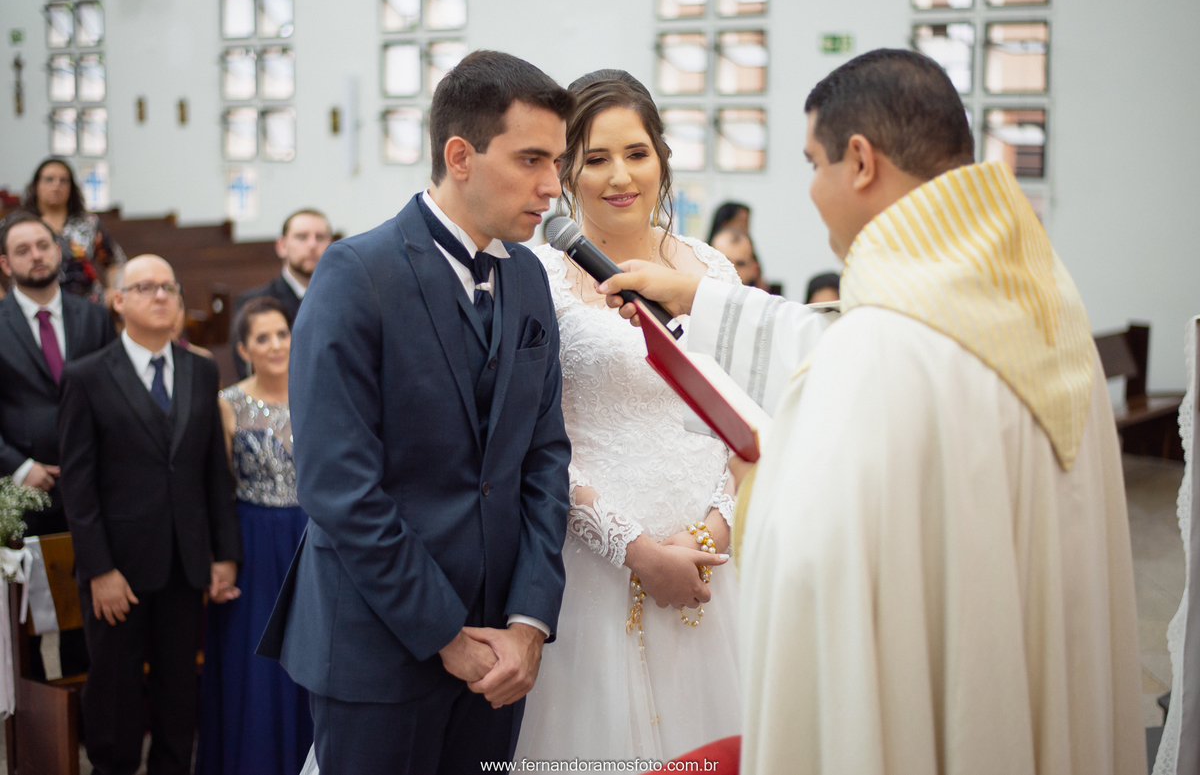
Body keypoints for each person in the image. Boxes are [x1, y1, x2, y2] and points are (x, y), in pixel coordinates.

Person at [599, 48, 1144, 774]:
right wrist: (701, 298)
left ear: (859, 161)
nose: (812, 190)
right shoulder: (1023, 287)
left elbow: (813, 556)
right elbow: (839, 335)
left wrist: (751, 491)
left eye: (812, 163)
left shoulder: (888, 346)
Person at [257, 50, 574, 775]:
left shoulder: (527, 276)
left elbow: (544, 456)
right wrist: (445, 636)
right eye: (531, 159)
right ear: (460, 156)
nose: (552, 186)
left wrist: (528, 621)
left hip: (500, 654)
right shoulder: (356, 274)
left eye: (556, 162)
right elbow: (338, 487)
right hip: (378, 649)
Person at [516, 70, 738, 763]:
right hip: (593, 566)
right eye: (597, 158)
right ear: (566, 172)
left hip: (712, 557)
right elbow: (532, 438)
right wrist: (634, 548)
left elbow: (741, 413)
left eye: (637, 153)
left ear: (661, 158)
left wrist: (714, 526)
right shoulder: (535, 278)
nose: (621, 176)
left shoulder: (711, 270)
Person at [58, 254, 242, 775]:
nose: (161, 295)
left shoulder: (201, 370)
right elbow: (78, 485)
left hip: (185, 563)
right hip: (118, 569)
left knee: (178, 688)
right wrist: (99, 569)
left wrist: (224, 554)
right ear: (118, 301)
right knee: (115, 689)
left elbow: (214, 472)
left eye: (169, 287)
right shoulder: (87, 376)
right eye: (146, 287)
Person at [197, 296, 312, 775]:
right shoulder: (227, 404)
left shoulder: (316, 392)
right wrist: (219, 555)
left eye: (282, 334)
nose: (276, 345)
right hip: (254, 543)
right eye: (262, 338)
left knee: (311, 650)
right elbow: (213, 487)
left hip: (311, 538)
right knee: (256, 661)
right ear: (243, 349)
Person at [0, 211, 115, 537]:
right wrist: (19, 467)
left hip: (97, 481)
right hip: (27, 488)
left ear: (57, 250)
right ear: (6, 264)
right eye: (23, 250)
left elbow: (115, 394)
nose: (36, 256)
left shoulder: (94, 317)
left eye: (43, 246)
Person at [231, 209, 332, 379]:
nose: (312, 245)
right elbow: (247, 368)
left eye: (320, 237)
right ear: (282, 246)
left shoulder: (342, 300)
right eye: (302, 237)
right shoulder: (253, 302)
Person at [21, 158, 124, 301]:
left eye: (63, 180)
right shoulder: (21, 226)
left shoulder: (88, 224)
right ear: (36, 185)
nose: (56, 185)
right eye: (49, 179)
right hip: (35, 304)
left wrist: (114, 294)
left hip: (86, 304)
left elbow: (115, 261)